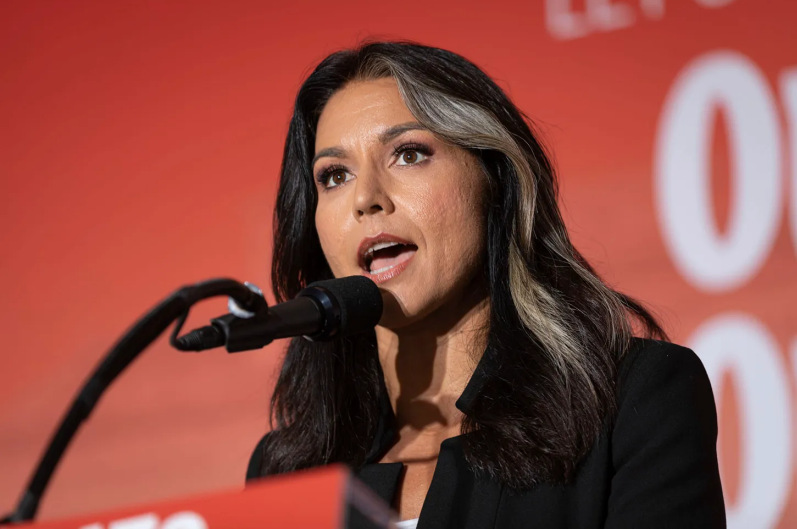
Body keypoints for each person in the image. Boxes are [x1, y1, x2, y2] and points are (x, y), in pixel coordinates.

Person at [246, 41, 726, 528]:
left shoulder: (632, 401)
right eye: (335, 176)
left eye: (408, 154)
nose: (365, 198)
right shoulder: (285, 472)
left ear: (493, 176)